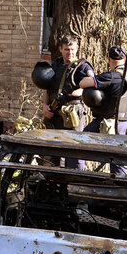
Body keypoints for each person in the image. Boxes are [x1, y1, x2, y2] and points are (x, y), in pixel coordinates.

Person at [77, 45, 127, 175]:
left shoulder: (111, 76)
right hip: (123, 122)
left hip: (106, 123)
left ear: (108, 58)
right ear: (125, 58)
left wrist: (88, 77)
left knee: (79, 146)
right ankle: (121, 185)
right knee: (117, 155)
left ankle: (77, 177)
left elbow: (83, 84)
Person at [42, 35, 94, 169]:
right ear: (60, 49)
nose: (69, 53)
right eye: (66, 49)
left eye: (72, 49)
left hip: (73, 114)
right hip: (55, 113)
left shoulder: (83, 67)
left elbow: (94, 83)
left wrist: (82, 91)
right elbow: (47, 88)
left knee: (74, 148)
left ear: (77, 49)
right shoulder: (55, 65)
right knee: (54, 151)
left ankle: (76, 181)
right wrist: (45, 106)